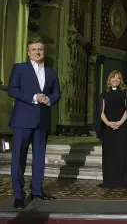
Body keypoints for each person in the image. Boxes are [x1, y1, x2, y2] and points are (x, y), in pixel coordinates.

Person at [7, 37, 61, 209]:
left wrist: (48, 100)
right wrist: (33, 98)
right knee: (18, 158)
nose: (37, 52)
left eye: (40, 49)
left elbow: (57, 92)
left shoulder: (51, 72)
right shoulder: (20, 68)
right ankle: (18, 194)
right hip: (22, 120)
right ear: (28, 52)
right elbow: (12, 89)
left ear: (44, 51)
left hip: (42, 120)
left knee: (39, 158)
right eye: (34, 50)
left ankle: (37, 190)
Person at [97, 70, 127, 189]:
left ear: (120, 81)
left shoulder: (125, 93)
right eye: (113, 78)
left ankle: (122, 181)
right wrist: (108, 123)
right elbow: (100, 112)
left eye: (118, 78)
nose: (115, 80)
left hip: (122, 128)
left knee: (121, 154)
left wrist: (120, 122)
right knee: (110, 155)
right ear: (109, 79)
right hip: (108, 129)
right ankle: (109, 181)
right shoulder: (103, 94)